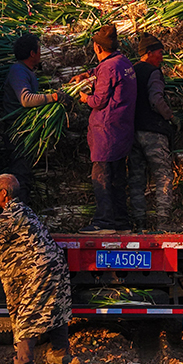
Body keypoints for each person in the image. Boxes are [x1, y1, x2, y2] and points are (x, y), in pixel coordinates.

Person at [0, 174, 72, 364]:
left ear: (3, 193)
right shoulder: (25, 210)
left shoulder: (11, 216)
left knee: (27, 314)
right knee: (56, 308)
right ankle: (60, 353)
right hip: (54, 266)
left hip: (39, 271)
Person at [77, 24, 137, 235]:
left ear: (98, 47)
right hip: (122, 130)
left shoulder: (108, 67)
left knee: (101, 176)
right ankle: (121, 221)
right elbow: (106, 74)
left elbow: (99, 101)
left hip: (106, 130)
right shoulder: (124, 62)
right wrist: (88, 74)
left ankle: (104, 222)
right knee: (118, 177)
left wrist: (85, 98)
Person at [2, 33, 63, 203]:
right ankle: (17, 218)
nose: (41, 53)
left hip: (24, 132)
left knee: (24, 175)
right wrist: (53, 97)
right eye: (39, 49)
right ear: (32, 53)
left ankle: (21, 216)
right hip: (18, 132)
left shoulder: (26, 71)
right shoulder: (18, 71)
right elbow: (26, 99)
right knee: (20, 177)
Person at [128, 33, 180, 232]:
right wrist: (171, 117)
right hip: (153, 133)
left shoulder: (131, 71)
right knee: (163, 176)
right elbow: (156, 100)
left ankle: (139, 222)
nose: (162, 57)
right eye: (160, 53)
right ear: (148, 53)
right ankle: (163, 223)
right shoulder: (153, 72)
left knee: (136, 178)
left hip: (133, 133)